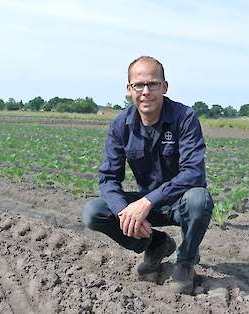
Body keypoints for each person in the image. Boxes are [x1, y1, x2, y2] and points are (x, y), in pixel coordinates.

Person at [81, 56, 213, 295]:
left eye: (152, 84)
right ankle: (156, 243)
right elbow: (109, 178)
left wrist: (146, 202)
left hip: (179, 202)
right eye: (138, 85)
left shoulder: (184, 117)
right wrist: (125, 211)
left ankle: (185, 262)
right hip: (149, 204)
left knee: (199, 199)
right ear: (129, 89)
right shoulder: (121, 125)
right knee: (94, 212)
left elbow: (194, 172)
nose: (145, 92)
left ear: (165, 87)